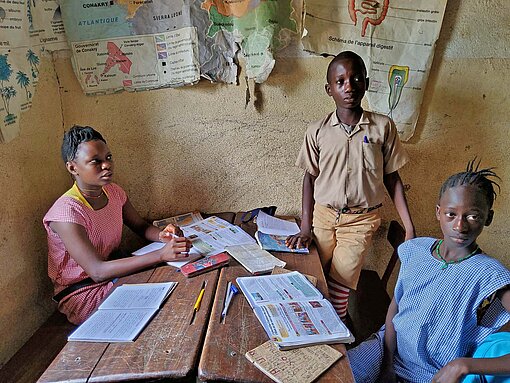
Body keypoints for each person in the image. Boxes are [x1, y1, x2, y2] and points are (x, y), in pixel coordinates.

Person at [348, 160, 510, 383]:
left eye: (473, 216)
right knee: (335, 374)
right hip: (386, 350)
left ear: (488, 218)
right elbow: (396, 306)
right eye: (451, 214)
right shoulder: (416, 249)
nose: (460, 226)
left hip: (432, 375)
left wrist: (462, 365)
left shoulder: (491, 274)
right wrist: (386, 366)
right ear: (438, 212)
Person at [286, 51, 415, 320]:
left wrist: (410, 227)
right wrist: (305, 226)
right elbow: (309, 178)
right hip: (323, 216)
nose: (349, 86)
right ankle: (318, 328)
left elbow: (392, 178)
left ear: (366, 83)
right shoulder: (317, 130)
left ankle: (339, 335)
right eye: (341, 81)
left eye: (356, 78)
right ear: (329, 89)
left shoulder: (382, 127)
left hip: (361, 221)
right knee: (311, 277)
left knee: (338, 288)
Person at [43, 125, 192, 324]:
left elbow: (140, 225)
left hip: (114, 274)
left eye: (109, 158)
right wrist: (160, 254)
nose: (106, 165)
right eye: (95, 161)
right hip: (85, 293)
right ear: (72, 168)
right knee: (168, 302)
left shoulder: (113, 192)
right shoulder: (66, 213)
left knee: (181, 280)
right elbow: (97, 271)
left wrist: (162, 235)